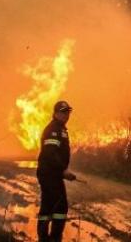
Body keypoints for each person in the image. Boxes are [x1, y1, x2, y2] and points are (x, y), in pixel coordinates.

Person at [36, 100, 77, 242]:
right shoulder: (53, 129)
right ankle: (54, 238)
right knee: (60, 207)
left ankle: (44, 238)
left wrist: (61, 172)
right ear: (55, 113)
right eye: (63, 112)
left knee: (47, 207)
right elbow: (50, 154)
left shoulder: (60, 129)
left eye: (67, 112)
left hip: (51, 174)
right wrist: (63, 171)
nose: (66, 115)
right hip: (49, 175)